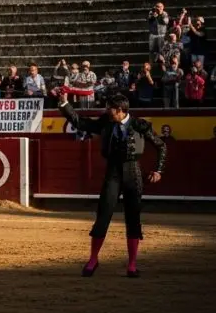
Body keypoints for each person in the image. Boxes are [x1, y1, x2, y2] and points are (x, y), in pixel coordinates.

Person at [58, 91, 166, 278]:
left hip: (133, 173)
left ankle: (132, 265)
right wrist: (64, 104)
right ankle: (93, 260)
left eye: (110, 108)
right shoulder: (105, 122)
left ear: (120, 110)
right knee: (103, 214)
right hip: (113, 172)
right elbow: (80, 122)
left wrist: (159, 170)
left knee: (133, 218)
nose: (107, 111)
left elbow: (161, 145)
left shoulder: (140, 125)